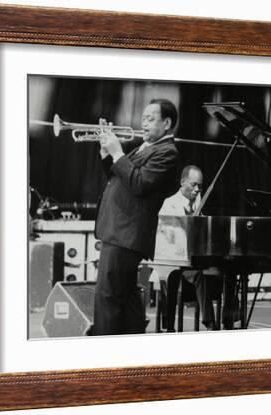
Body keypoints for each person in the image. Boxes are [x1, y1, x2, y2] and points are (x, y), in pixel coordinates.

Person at [91, 98, 180, 335]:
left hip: (126, 233)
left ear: (167, 123)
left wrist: (118, 152)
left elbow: (139, 184)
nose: (144, 123)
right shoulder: (145, 147)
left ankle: (103, 355)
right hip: (120, 231)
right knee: (127, 298)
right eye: (143, 118)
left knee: (107, 297)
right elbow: (117, 177)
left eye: (151, 119)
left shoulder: (167, 152)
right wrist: (106, 153)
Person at [158, 165, 222, 331]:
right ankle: (210, 323)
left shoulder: (201, 203)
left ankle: (232, 314)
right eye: (193, 185)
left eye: (200, 186)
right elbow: (167, 236)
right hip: (174, 261)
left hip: (195, 258)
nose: (197, 189)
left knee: (226, 269)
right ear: (182, 182)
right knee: (199, 275)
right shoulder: (169, 204)